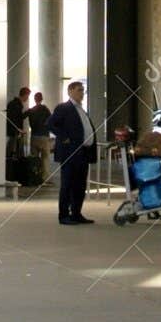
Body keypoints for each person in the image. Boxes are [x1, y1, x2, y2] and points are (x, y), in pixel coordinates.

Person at [49, 81, 97, 225]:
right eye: (79, 90)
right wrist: (65, 138)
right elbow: (51, 124)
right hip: (70, 153)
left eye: (83, 90)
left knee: (80, 185)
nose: (82, 93)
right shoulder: (64, 108)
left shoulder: (81, 110)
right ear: (70, 91)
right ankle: (63, 215)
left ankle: (76, 213)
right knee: (67, 184)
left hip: (83, 153)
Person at [26, 91, 52, 184]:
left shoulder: (31, 110)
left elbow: (23, 116)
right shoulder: (45, 109)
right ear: (42, 99)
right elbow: (51, 120)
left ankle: (35, 177)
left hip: (34, 137)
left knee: (35, 158)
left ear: (34, 99)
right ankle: (44, 178)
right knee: (45, 158)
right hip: (44, 136)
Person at [5, 86, 30, 160]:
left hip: (14, 132)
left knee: (13, 151)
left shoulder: (14, 104)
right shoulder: (16, 105)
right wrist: (18, 129)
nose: (27, 98)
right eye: (27, 96)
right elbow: (14, 119)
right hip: (14, 133)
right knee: (13, 153)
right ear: (24, 95)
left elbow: (18, 117)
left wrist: (27, 112)